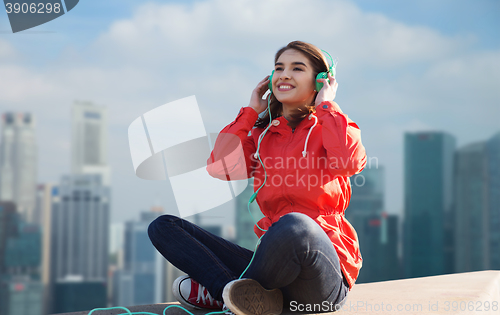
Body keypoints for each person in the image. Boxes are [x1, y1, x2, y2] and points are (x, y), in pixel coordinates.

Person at [148, 40, 367, 315]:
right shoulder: (262, 136)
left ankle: (225, 293)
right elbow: (220, 167)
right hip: (273, 270)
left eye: (297, 68)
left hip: (320, 279)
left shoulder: (330, 127)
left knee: (296, 225)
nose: (284, 74)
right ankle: (232, 294)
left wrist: (327, 105)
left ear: (320, 81)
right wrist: (251, 112)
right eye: (279, 68)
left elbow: (349, 160)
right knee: (163, 226)